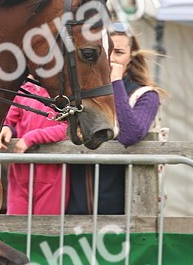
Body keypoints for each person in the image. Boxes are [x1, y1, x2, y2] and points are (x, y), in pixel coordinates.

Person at [67, 21, 163, 215]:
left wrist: (116, 82)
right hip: (75, 203)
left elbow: (131, 134)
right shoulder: (81, 93)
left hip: (126, 207)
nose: (109, 59)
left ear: (131, 56)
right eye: (105, 51)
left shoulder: (146, 95)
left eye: (118, 52)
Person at [0, 82, 70, 215]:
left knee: (46, 229)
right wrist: (7, 128)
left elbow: (68, 128)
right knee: (15, 228)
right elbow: (9, 120)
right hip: (19, 175)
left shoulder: (62, 95)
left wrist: (32, 138)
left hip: (52, 175)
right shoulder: (21, 92)